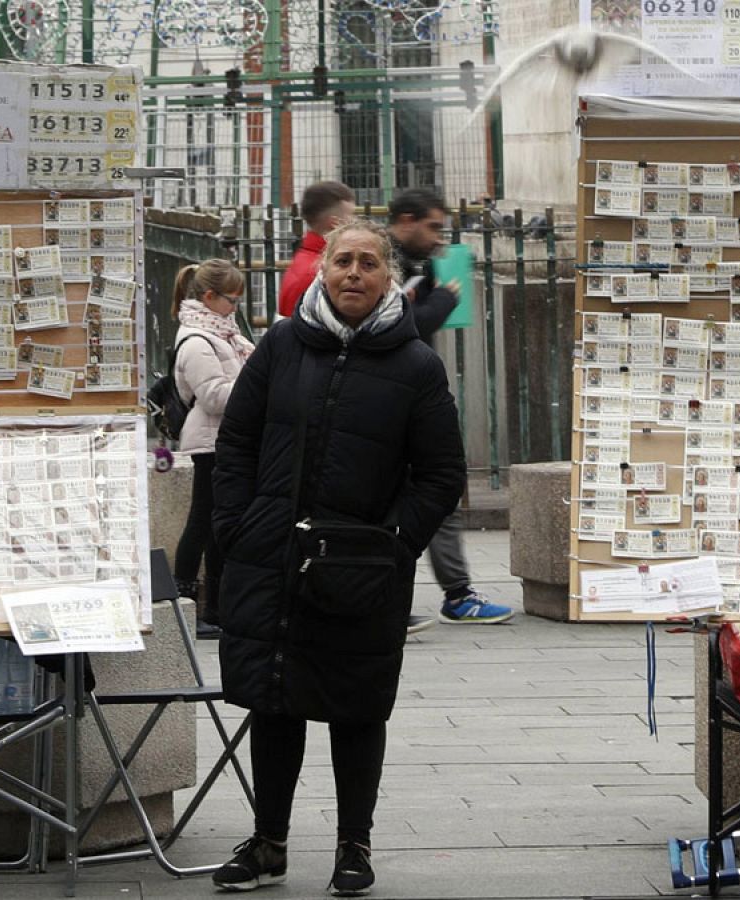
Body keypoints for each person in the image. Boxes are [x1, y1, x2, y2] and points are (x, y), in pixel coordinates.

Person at [210, 220, 465, 895]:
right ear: (323, 272)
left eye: (369, 263)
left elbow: (441, 475)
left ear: (388, 279)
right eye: (342, 261)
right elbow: (236, 441)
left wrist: (393, 543)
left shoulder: (416, 365)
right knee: (274, 700)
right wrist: (239, 524)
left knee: (356, 707)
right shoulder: (283, 345)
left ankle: (355, 846)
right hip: (272, 556)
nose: (354, 272)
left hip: (362, 567)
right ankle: (269, 844)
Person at [387, 188, 515, 627]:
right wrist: (443, 299)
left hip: (411, 402)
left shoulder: (412, 266)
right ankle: (396, 598)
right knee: (397, 502)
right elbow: (402, 326)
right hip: (390, 406)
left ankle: (456, 594)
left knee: (439, 492)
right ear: (406, 220)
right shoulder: (380, 264)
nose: (439, 237)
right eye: (433, 227)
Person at [170, 259, 252, 639]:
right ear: (209, 296)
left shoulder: (225, 333)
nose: (237, 308)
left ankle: (216, 607)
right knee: (202, 522)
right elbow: (214, 396)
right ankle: (186, 600)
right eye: (232, 300)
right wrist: (258, 383)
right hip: (209, 442)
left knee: (220, 526)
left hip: (228, 440)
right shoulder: (196, 340)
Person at [278, 180, 355, 319]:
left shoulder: (309, 263)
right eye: (351, 216)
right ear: (335, 223)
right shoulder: (317, 272)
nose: (355, 222)